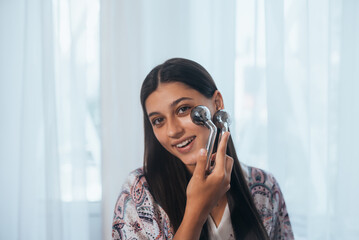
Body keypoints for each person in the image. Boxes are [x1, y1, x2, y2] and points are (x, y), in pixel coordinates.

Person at [112, 58, 294, 240]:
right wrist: (196, 211)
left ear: (217, 103)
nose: (173, 131)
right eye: (158, 120)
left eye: (183, 109)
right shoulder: (138, 193)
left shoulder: (265, 187)